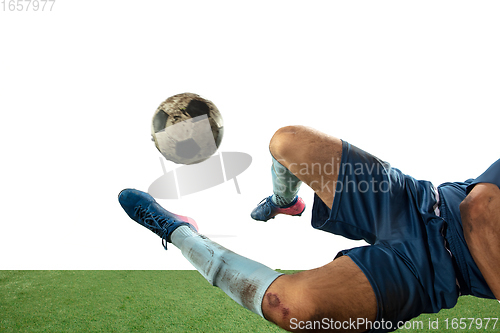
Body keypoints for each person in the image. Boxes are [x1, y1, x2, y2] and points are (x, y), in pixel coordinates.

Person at [118, 125, 500, 332]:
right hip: (417, 203)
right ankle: (286, 202)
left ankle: (178, 232)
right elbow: (479, 210)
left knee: (287, 308)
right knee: (288, 143)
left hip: (432, 275)